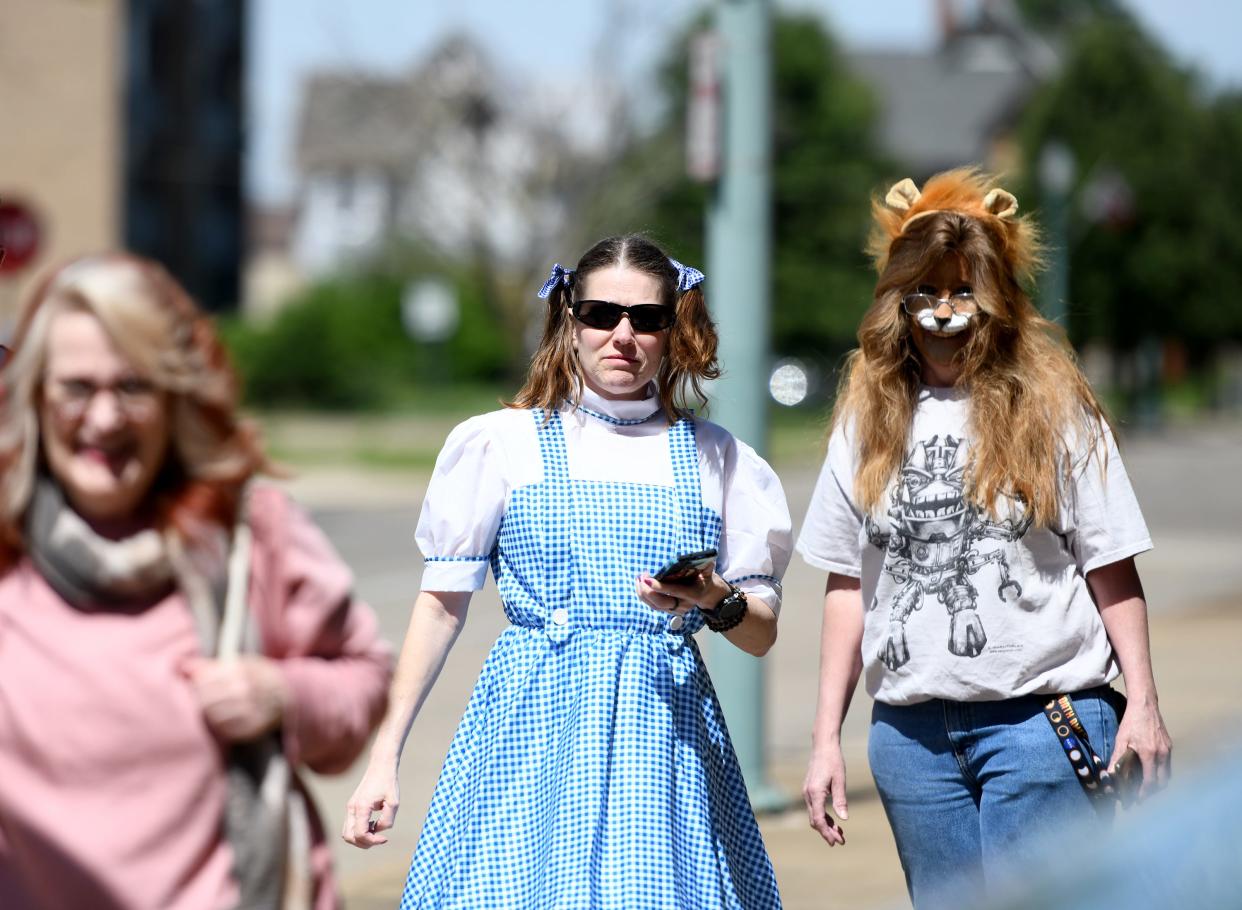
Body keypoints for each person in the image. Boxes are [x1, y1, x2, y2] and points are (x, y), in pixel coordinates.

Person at [342, 234, 793, 909]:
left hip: (662, 736)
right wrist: (385, 759)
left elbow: (759, 634)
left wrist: (715, 600)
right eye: (600, 314)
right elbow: (440, 607)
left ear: (672, 330)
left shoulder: (719, 459)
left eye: (647, 318)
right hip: (530, 732)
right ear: (567, 319)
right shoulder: (501, 443)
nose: (623, 335)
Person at [797, 169, 1173, 907]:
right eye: (926, 292)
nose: (943, 312)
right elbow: (848, 585)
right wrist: (823, 741)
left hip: (1041, 720)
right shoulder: (864, 422)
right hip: (910, 741)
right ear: (895, 301)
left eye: (962, 290)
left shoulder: (1056, 409)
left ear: (996, 299)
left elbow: (1111, 564)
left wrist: (1145, 705)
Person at [0, 253, 392, 910]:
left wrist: (284, 693)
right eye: (76, 388)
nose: (103, 421)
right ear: (36, 395)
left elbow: (364, 677)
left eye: (132, 387)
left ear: (176, 394)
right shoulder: (6, 542)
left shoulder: (248, 534)